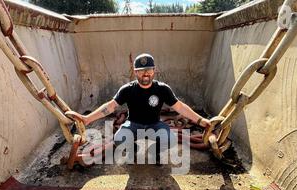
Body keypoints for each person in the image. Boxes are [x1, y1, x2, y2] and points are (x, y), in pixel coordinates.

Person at [66, 53, 210, 164]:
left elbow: (180, 107)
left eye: (148, 69)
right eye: (141, 70)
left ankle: (156, 153)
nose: (145, 73)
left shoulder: (162, 89)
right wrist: (86, 119)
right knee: (119, 138)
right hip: (133, 124)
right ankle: (133, 149)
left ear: (154, 70)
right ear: (135, 72)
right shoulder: (127, 90)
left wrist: (201, 120)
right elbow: (110, 107)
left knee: (170, 139)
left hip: (155, 124)